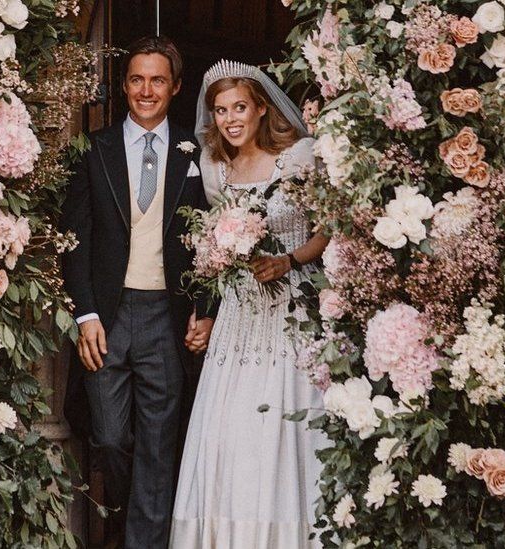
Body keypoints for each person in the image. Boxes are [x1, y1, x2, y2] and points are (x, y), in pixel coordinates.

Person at [60, 36, 217, 549]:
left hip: (167, 317)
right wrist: (85, 313)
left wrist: (206, 309)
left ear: (174, 87)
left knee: (157, 445)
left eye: (156, 80)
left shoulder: (200, 155)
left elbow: (217, 240)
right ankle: (133, 519)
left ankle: (141, 542)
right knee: (109, 436)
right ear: (123, 85)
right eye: (135, 79)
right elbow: (75, 239)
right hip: (109, 312)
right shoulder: (94, 149)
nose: (145, 90)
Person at [170, 60, 331, 548]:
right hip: (240, 315)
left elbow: (328, 228)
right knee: (231, 430)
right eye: (221, 110)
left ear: (262, 108)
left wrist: (288, 260)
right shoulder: (217, 169)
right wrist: (210, 306)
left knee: (281, 425)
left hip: (291, 312)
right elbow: (216, 252)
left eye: (239, 107)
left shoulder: (302, 156)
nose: (230, 119)